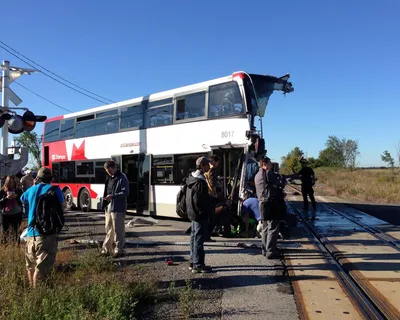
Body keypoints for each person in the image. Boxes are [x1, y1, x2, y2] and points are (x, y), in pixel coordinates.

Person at [21, 167, 65, 287]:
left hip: (31, 234)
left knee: (30, 266)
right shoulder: (55, 190)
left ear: (38, 178)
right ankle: (38, 296)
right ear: (51, 178)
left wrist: (34, 186)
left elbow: (22, 198)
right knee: (42, 268)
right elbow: (63, 206)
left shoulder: (32, 190)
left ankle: (32, 291)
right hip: (47, 234)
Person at [186, 156, 213, 273]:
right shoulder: (200, 181)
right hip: (199, 215)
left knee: (193, 237)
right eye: (207, 165)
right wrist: (204, 212)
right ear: (202, 166)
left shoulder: (191, 178)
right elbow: (199, 201)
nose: (209, 166)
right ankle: (198, 265)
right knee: (199, 240)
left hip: (192, 213)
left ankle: (193, 262)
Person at [255, 157, 285, 259]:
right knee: (273, 228)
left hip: (262, 203)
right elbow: (279, 184)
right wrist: (282, 180)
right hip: (270, 203)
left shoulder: (257, 175)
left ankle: (265, 250)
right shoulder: (268, 173)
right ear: (264, 164)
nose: (271, 166)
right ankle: (271, 252)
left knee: (265, 227)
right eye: (270, 164)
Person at [101, 160, 129, 258]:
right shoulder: (109, 178)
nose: (108, 173)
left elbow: (126, 193)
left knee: (118, 230)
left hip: (118, 207)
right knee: (108, 228)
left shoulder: (122, 178)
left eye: (109, 171)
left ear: (114, 167)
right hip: (109, 205)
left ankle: (119, 249)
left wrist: (113, 196)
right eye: (107, 171)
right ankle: (107, 249)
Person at [0, 175, 24, 244]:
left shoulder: (18, 190)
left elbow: (23, 200)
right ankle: (5, 246)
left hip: (16, 214)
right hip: (5, 214)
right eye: (10, 182)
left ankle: (16, 246)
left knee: (16, 232)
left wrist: (16, 197)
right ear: (7, 182)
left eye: (13, 182)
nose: (12, 184)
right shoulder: (2, 191)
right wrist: (6, 198)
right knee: (4, 232)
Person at [204, 155, 221, 239]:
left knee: (209, 217)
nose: (218, 164)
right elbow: (212, 184)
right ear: (214, 162)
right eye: (217, 162)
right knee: (212, 218)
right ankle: (208, 236)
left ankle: (207, 235)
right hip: (212, 195)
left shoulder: (206, 170)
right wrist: (216, 193)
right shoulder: (212, 170)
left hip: (207, 195)